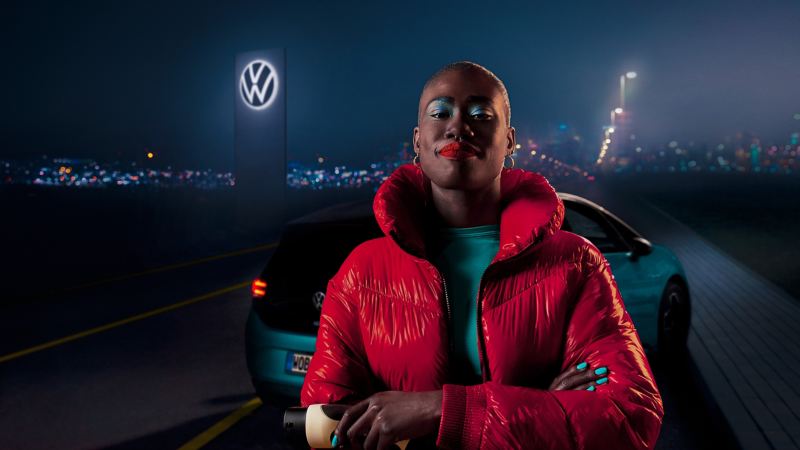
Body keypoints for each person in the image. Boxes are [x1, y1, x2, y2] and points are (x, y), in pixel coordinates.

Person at [300, 61, 663, 450]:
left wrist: (440, 411)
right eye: (440, 113)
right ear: (418, 142)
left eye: (480, 114)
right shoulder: (361, 273)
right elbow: (328, 425)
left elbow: (628, 418)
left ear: (508, 141)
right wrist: (545, 404)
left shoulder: (576, 264)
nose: (458, 126)